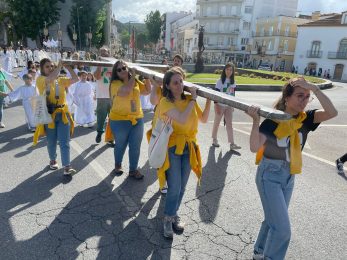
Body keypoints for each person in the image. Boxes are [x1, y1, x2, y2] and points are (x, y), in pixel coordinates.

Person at [246, 77, 338, 260]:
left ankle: (259, 250)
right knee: (282, 230)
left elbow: (332, 112)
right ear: (287, 98)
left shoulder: (306, 119)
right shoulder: (273, 121)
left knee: (272, 219)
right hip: (269, 175)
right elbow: (254, 147)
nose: (304, 100)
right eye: (299, 96)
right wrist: (255, 121)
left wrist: (314, 88)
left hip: (289, 177)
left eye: (307, 96)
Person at [156, 67, 211, 238]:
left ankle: (173, 215)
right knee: (175, 187)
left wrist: (209, 100)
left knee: (182, 187)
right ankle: (167, 219)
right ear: (168, 85)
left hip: (190, 146)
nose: (179, 85)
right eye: (175, 82)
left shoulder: (188, 100)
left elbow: (203, 119)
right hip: (173, 147)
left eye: (181, 81)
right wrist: (194, 100)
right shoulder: (165, 102)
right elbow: (181, 118)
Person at [33, 58, 79, 176]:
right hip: (49, 115)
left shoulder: (60, 79)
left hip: (63, 113)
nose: (50, 68)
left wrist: (68, 67)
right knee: (51, 141)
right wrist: (59, 66)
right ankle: (53, 160)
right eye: (47, 66)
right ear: (42, 69)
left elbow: (75, 79)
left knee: (65, 142)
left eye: (52, 66)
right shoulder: (40, 79)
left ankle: (67, 166)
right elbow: (50, 79)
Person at [108, 60, 151, 179]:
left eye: (124, 68)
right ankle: (118, 164)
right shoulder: (115, 84)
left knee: (135, 146)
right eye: (119, 69)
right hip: (119, 120)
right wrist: (134, 75)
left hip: (137, 118)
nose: (122, 71)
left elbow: (147, 91)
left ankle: (133, 169)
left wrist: (146, 77)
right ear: (115, 73)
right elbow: (125, 92)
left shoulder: (135, 81)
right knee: (120, 145)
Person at [212, 63, 241, 150]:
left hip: (229, 106)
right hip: (219, 105)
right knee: (216, 123)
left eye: (231, 70)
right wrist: (216, 105)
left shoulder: (233, 82)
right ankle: (214, 139)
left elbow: (233, 94)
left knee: (229, 124)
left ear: (233, 71)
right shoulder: (220, 81)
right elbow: (215, 94)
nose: (229, 71)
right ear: (224, 70)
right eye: (227, 69)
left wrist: (232, 106)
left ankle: (232, 144)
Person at [93, 48, 112, 143]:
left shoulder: (113, 64)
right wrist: (100, 64)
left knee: (113, 118)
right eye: (102, 53)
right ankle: (99, 132)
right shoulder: (96, 64)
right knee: (101, 117)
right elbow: (97, 76)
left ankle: (110, 138)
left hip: (113, 96)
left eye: (106, 52)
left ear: (109, 54)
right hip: (102, 96)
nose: (104, 54)